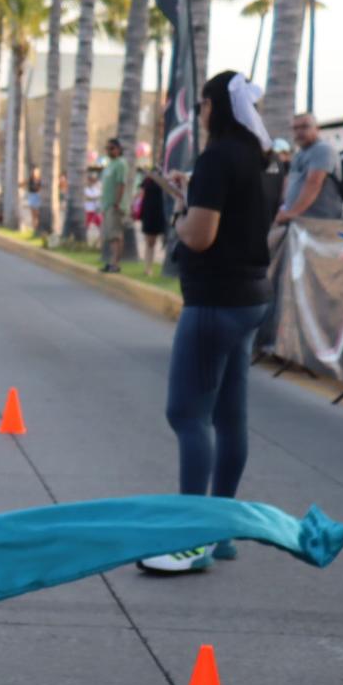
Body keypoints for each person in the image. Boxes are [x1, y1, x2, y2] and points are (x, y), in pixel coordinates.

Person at [138, 72, 274, 575]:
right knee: (230, 417)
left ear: (217, 106)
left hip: (214, 301)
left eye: (203, 103)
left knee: (186, 414)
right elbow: (236, 218)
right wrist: (190, 195)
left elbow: (198, 237)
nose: (199, 111)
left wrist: (180, 216)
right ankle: (220, 533)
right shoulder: (261, 157)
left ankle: (189, 541)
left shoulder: (217, 156)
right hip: (249, 299)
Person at [276, 112, 343, 224]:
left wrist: (292, 213)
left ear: (317, 129)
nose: (299, 132)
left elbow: (314, 183)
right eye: (295, 128)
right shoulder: (300, 153)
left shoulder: (322, 149)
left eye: (305, 127)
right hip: (301, 222)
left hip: (319, 223)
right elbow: (291, 182)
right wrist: (284, 208)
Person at [98, 137, 132, 272]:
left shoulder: (121, 164)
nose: (109, 151)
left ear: (118, 149)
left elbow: (121, 184)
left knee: (116, 235)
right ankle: (112, 262)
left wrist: (117, 203)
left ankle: (115, 264)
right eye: (107, 148)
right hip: (107, 205)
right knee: (110, 236)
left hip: (115, 206)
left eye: (111, 148)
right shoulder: (110, 164)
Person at [137, 167, 169, 276]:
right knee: (150, 242)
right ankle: (148, 268)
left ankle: (157, 267)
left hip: (160, 213)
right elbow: (140, 194)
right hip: (149, 214)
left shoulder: (163, 180)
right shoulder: (147, 181)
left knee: (162, 242)